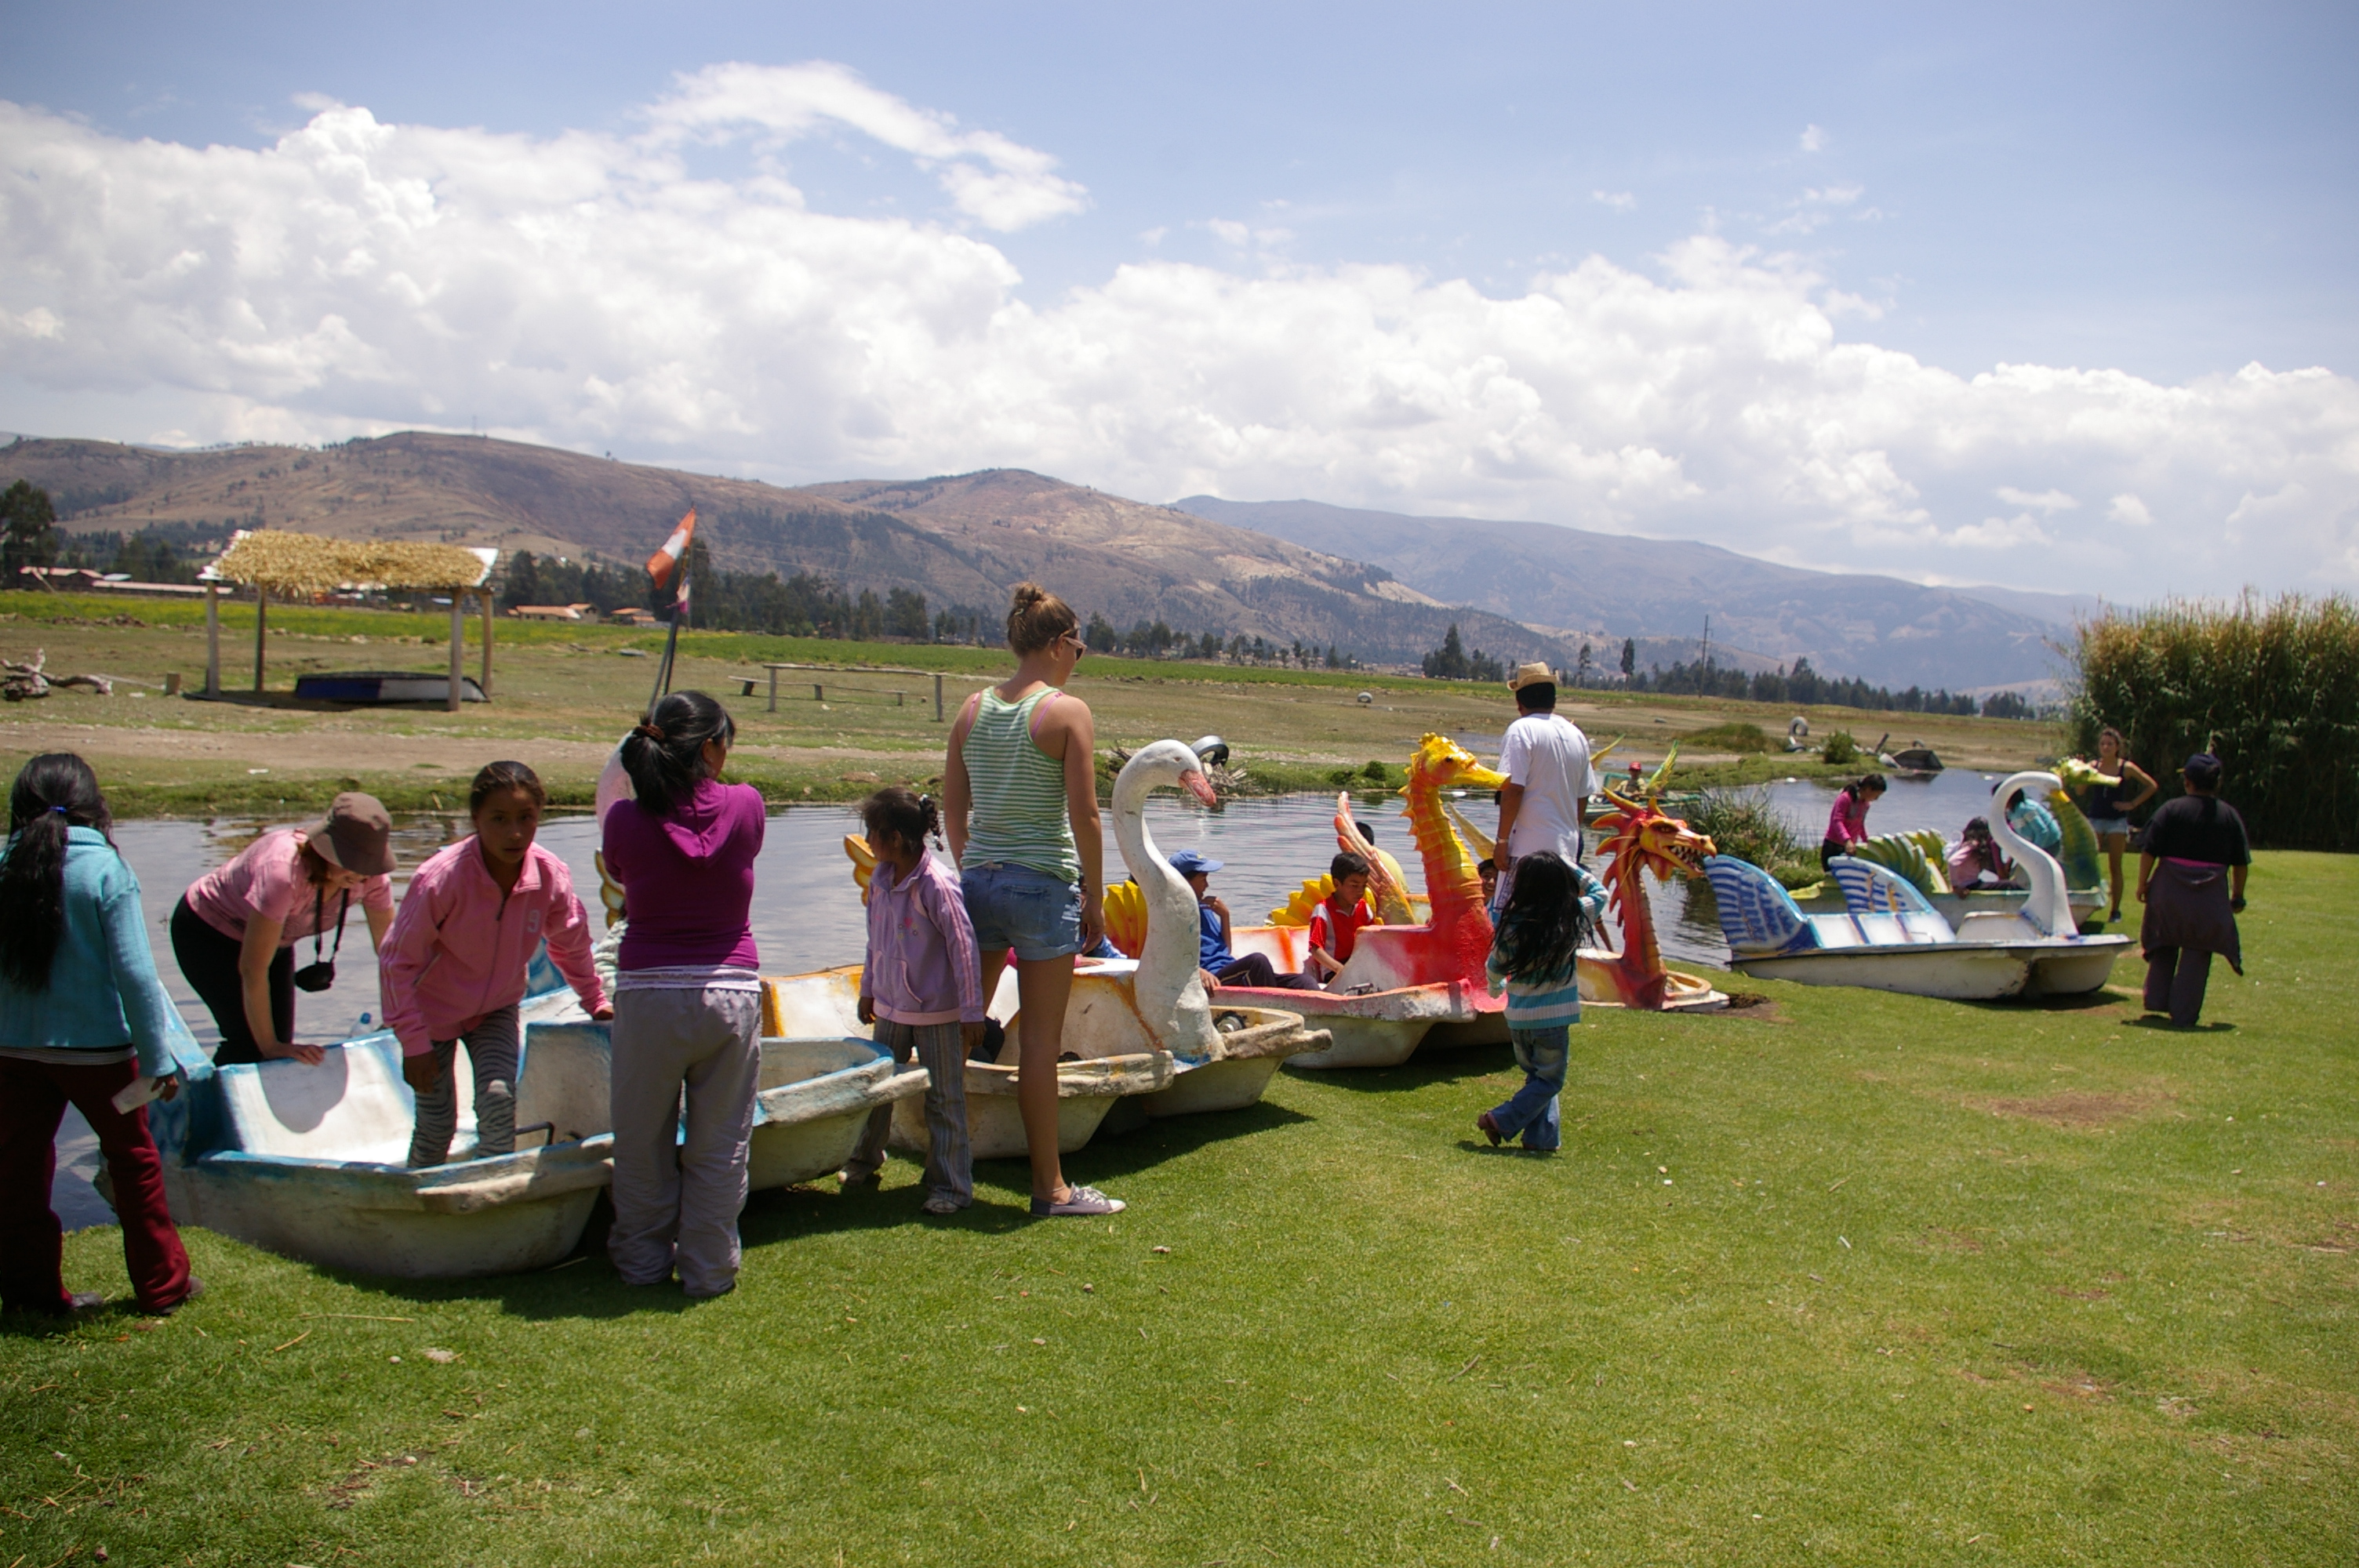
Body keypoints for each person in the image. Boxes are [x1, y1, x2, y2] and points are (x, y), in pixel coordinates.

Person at [0, 753, 203, 1317]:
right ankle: (164, 1287)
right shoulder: (107, 871)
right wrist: (157, 1060)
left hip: (11, 1050)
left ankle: (28, 1295)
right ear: (96, 807)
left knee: (16, 1172)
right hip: (97, 1055)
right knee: (133, 1161)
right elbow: (136, 975)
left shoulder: (3, 863)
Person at [944, 583, 1122, 1218]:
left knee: (959, 1030)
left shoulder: (971, 709)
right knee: (1041, 1044)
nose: (1080, 655)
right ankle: (1050, 1189)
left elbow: (953, 807)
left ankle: (940, 1167)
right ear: (1054, 645)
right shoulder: (1067, 712)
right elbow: (1086, 817)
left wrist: (971, 864)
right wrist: (1095, 898)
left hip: (979, 883)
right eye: (1078, 644)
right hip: (1042, 886)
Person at [602, 691, 766, 1298]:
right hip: (729, 994)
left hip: (647, 994)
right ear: (711, 749)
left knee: (641, 1141)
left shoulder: (623, 818)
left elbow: (619, 872)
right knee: (721, 1145)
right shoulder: (747, 805)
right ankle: (709, 1269)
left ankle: (642, 1264)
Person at [379, 761, 612, 1169]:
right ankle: (417, 1199)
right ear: (476, 820)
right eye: (499, 820)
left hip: (495, 1009)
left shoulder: (548, 875)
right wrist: (413, 1042)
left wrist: (594, 999)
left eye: (526, 819)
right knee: (437, 1123)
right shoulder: (441, 878)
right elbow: (397, 962)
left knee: (499, 1101)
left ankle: (490, 1192)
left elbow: (570, 943)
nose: (515, 833)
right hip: (431, 1015)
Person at [172, 793, 397, 1065]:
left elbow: (392, 954)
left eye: (367, 866)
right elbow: (252, 969)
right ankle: (204, 1098)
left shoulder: (372, 877)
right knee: (253, 1046)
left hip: (274, 940)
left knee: (282, 1046)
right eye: (350, 864)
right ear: (324, 848)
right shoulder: (284, 872)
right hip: (207, 933)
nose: (360, 875)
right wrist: (270, 1047)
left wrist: (399, 1017)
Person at [843, 787, 984, 1215]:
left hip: (937, 1012)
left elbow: (964, 947)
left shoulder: (937, 885)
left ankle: (952, 1187)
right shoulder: (882, 879)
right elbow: (876, 942)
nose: (867, 840)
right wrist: (869, 987)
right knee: (876, 1091)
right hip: (889, 1007)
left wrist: (971, 1010)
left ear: (899, 839)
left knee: (943, 1098)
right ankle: (863, 1160)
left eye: (873, 832)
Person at [1475, 851, 1607, 1152]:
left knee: (1537, 1078)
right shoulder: (1573, 915)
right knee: (1549, 1081)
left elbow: (1495, 965)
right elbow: (1601, 892)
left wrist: (1495, 987)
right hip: (1553, 1018)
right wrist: (1567, 863)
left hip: (1519, 1017)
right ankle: (1500, 1119)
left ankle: (1541, 1140)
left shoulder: (1511, 922)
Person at [2136, 753, 2249, 1029]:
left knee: (2164, 940)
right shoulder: (2229, 816)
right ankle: (2184, 1012)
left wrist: (2143, 884)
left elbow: (2149, 850)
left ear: (2187, 781)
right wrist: (2237, 895)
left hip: (2169, 891)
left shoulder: (2171, 810)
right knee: (2198, 951)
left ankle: (2157, 999)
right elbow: (2241, 862)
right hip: (2208, 898)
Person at [1492, 664, 1594, 906]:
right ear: (1553, 700)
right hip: (1566, 852)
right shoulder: (1575, 734)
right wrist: (1571, 834)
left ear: (1519, 702)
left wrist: (1502, 841)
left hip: (1527, 850)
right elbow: (1582, 797)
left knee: (1513, 920)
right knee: (1553, 922)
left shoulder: (1521, 730)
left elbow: (1513, 789)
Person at [1176, 849, 1321, 991]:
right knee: (1257, 962)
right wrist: (1198, 971)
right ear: (1184, 881)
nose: (1207, 886)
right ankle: (1271, 1007)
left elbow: (1225, 951)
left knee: (1304, 981)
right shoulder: (1175, 914)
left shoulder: (1204, 907)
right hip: (1212, 977)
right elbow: (1168, 957)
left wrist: (1225, 916)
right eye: (1203, 879)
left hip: (1228, 969)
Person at [2076, 726, 2159, 921]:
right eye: (2102, 743)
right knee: (2088, 863)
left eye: (2110, 744)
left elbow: (2152, 786)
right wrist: (2081, 771)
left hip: (2116, 822)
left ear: (2117, 747)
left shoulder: (2126, 768)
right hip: (2095, 818)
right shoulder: (2093, 766)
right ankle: (2086, 906)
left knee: (2116, 866)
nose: (2105, 747)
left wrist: (2132, 804)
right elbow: (2080, 791)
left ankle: (2115, 910)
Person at [1306, 851, 1376, 983]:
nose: (1360, 891)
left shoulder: (1364, 908)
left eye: (1364, 886)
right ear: (1337, 884)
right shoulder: (1323, 910)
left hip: (1358, 966)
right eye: (1354, 886)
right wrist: (1341, 970)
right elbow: (1315, 950)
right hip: (1333, 971)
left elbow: (1374, 940)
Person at [1820, 774, 1888, 869]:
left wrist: (1866, 841)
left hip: (1849, 849)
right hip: (1833, 847)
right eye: (1876, 795)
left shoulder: (1866, 805)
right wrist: (1847, 840)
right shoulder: (1845, 798)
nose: (1876, 799)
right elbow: (1837, 821)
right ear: (1868, 789)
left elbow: (1860, 825)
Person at [1945, 817, 2011, 893]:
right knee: (2010, 885)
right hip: (1970, 885)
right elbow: (1952, 862)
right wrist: (1955, 887)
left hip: (1971, 884)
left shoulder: (1964, 845)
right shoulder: (1973, 845)